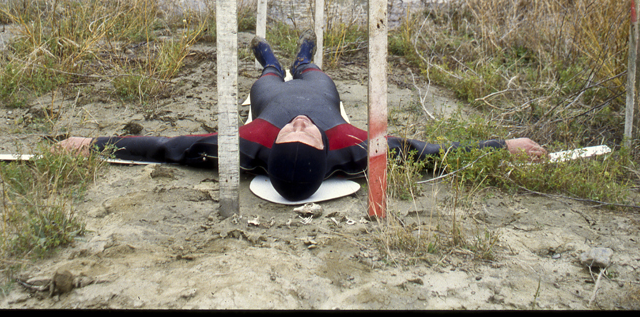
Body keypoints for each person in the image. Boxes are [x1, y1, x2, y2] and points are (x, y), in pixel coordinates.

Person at [58, 30, 546, 202]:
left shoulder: (251, 143)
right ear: (325, 151)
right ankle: (303, 58)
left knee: (273, 75)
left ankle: (277, 59)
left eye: (292, 133)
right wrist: (505, 147)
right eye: (304, 135)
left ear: (272, 150)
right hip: (322, 92)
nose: (298, 126)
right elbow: (430, 154)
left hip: (267, 95)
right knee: (311, 73)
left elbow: (165, 148)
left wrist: (91, 144)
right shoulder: (355, 148)